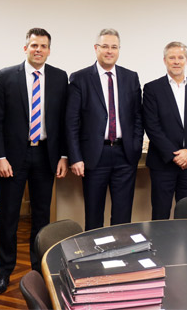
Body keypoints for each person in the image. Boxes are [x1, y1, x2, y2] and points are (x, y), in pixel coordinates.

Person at [0, 28, 69, 294]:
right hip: (13, 158)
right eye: (34, 45)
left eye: (43, 46)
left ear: (49, 50)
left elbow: (63, 121)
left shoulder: (59, 77)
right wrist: (0, 156)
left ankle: (38, 271)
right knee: (9, 216)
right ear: (25, 48)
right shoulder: (5, 76)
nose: (38, 50)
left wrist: (64, 156)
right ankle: (4, 272)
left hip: (46, 156)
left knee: (41, 218)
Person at [66, 29, 143, 230]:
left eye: (114, 47)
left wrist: (134, 146)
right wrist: (75, 157)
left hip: (124, 154)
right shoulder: (80, 78)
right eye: (105, 46)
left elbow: (137, 116)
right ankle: (95, 258)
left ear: (119, 50)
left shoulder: (130, 77)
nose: (110, 51)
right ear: (96, 48)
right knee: (94, 214)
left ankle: (120, 256)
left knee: (122, 214)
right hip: (94, 156)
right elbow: (72, 121)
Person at [143, 42, 187, 220]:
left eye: (180, 57)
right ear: (165, 60)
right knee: (160, 213)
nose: (176, 61)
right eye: (172, 57)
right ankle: (161, 247)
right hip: (162, 163)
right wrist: (175, 155)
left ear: (186, 60)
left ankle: (186, 248)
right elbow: (152, 126)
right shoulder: (152, 89)